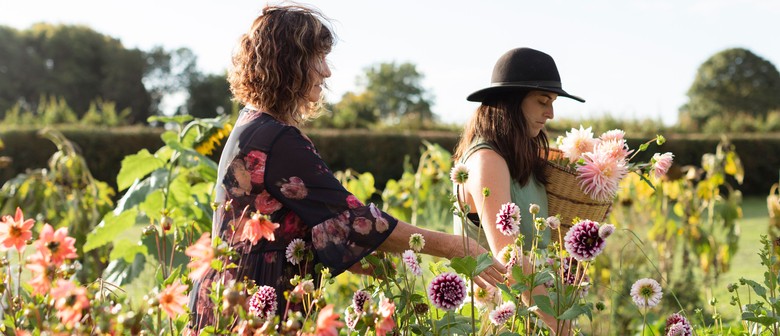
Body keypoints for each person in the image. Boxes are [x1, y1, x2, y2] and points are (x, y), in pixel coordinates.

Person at [187, 4, 505, 331]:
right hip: (253, 306)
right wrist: (454, 246)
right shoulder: (277, 139)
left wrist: (367, 260)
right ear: (288, 63)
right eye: (317, 58)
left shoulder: (253, 125)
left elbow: (313, 224)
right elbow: (356, 221)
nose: (326, 72)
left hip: (233, 297)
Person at [452, 47, 585, 334]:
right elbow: (509, 258)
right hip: (504, 319)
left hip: (534, 312)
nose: (551, 113)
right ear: (512, 101)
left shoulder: (518, 157)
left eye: (552, 103)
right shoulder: (486, 160)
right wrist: (560, 326)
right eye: (542, 101)